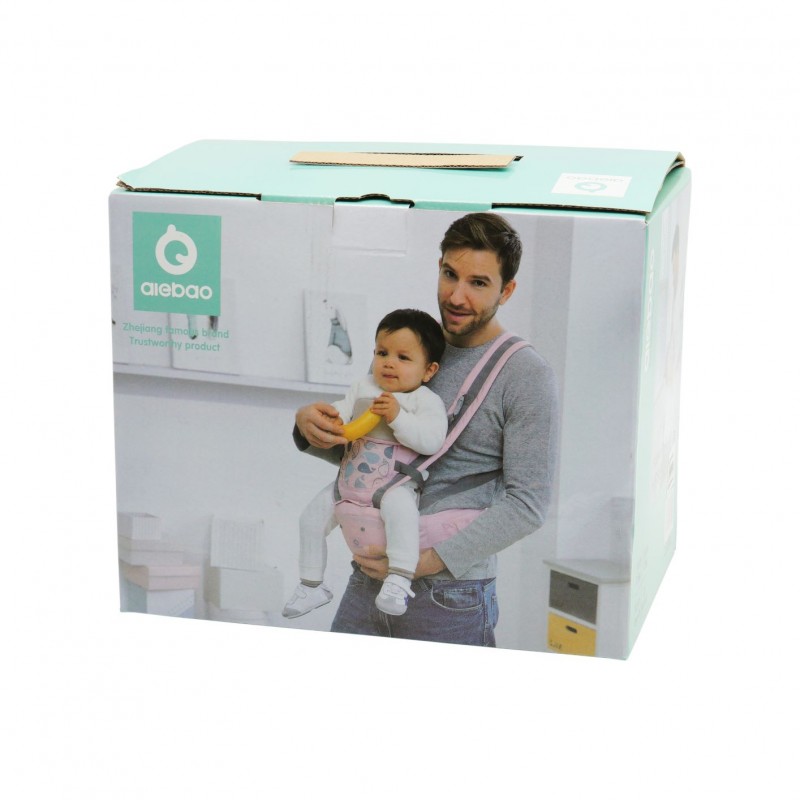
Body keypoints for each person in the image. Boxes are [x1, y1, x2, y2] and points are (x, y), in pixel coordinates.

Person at [293, 212, 559, 646]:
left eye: (478, 283)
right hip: (367, 582)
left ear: (506, 291)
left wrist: (425, 562)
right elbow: (372, 453)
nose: (456, 296)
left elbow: (528, 503)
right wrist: (307, 428)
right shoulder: (411, 347)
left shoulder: (526, 375)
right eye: (450, 274)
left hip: (449, 595)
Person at [283, 309, 448, 618]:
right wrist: (331, 419)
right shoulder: (363, 387)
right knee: (310, 519)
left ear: (429, 370)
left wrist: (397, 416)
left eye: (403, 357)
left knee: (403, 516)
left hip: (392, 485)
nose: (388, 362)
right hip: (348, 481)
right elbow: (343, 411)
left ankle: (399, 579)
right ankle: (311, 584)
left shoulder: (423, 400)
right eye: (382, 353)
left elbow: (431, 440)